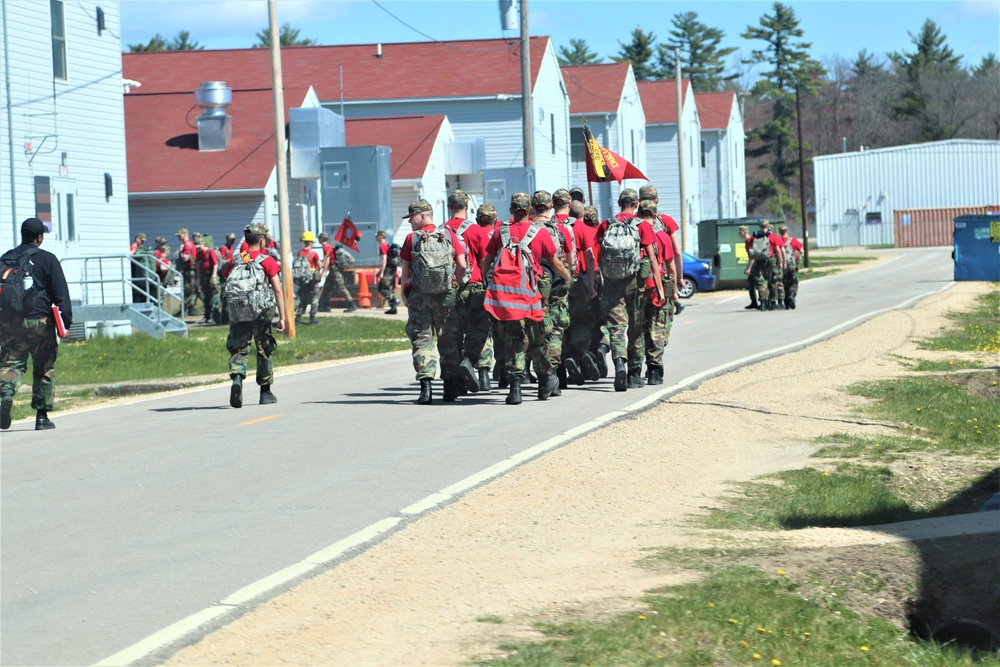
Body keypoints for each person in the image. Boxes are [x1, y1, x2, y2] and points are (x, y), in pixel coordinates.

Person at [481, 192, 570, 404]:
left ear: (511, 210)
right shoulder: (539, 233)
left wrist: (488, 281)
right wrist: (567, 277)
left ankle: (515, 389)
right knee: (538, 340)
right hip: (531, 298)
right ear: (530, 210)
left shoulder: (500, 233)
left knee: (513, 342)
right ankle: (544, 383)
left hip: (506, 300)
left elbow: (488, 260)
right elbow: (554, 262)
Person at [0, 218, 74, 430]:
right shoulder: (47, 259)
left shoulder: (6, 259)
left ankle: (6, 394)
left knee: (10, 364)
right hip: (40, 320)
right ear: (39, 237)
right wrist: (66, 322)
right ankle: (41, 417)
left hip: (10, 322)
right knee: (44, 367)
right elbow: (60, 293)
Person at [594, 188, 664, 391]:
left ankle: (619, 362)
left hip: (611, 281)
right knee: (635, 326)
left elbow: (598, 253)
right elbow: (652, 258)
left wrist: (600, 279)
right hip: (635, 283)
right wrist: (659, 287)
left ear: (618, 203)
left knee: (616, 327)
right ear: (636, 205)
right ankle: (634, 374)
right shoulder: (641, 225)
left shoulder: (606, 224)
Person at [399, 199, 467, 404]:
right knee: (448, 339)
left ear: (422, 216)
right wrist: (454, 282)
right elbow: (462, 264)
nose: (410, 222)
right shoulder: (448, 235)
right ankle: (449, 388)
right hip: (445, 295)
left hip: (420, 296)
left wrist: (404, 293)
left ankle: (426, 389)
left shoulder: (411, 239)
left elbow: (405, 271)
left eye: (412, 217)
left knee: (422, 339)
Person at [222, 223, 286, 408]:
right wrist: (282, 318)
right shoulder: (267, 261)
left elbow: (226, 280)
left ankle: (237, 379)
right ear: (262, 240)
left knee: (239, 348)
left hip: (238, 313)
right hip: (261, 313)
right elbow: (278, 290)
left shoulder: (236, 260)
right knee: (263, 348)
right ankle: (265, 392)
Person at [442, 190, 491, 394]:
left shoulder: (439, 231)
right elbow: (485, 261)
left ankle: (453, 384)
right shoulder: (477, 231)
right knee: (479, 330)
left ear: (449, 206)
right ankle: (475, 365)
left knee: (452, 335)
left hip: (449, 289)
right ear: (467, 205)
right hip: (474, 287)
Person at [551, 189, 597, 386]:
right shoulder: (578, 226)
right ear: (569, 205)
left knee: (556, 326)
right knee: (582, 322)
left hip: (551, 283)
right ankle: (574, 353)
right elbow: (589, 255)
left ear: (553, 205)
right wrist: (592, 285)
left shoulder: (545, 225)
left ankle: (558, 372)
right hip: (576, 280)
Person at [637, 200, 679, 385]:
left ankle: (633, 370)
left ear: (639, 214)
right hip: (656, 286)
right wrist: (673, 290)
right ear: (655, 215)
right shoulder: (663, 236)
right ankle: (654, 370)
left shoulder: (633, 234)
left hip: (636, 286)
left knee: (637, 328)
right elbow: (670, 266)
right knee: (657, 328)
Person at [638, 184, 685, 316]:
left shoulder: (633, 222)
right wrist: (679, 278)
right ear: (656, 200)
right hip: (661, 271)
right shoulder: (665, 220)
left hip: (638, 276)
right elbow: (676, 251)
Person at [293, 231, 322, 325]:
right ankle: (312, 318)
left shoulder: (299, 253)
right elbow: (319, 266)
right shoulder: (314, 253)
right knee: (314, 298)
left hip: (303, 280)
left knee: (303, 299)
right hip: (312, 280)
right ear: (311, 242)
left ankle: (297, 318)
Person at [195, 234, 220, 324]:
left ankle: (215, 317)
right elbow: (198, 265)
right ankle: (207, 316)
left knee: (213, 296)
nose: (197, 248)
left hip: (210, 274)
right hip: (203, 276)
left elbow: (215, 264)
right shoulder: (199, 254)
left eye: (199, 246)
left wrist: (213, 275)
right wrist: (198, 278)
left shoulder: (210, 251)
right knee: (206, 297)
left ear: (203, 243)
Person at [375, 230, 401, 315]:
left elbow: (384, 260)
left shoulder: (383, 247)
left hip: (388, 269)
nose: (376, 237)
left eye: (377, 236)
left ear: (381, 237)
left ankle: (394, 300)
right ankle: (393, 309)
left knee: (381, 288)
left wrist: (382, 272)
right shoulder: (387, 246)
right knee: (390, 288)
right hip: (392, 268)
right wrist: (380, 271)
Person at [778, 224, 803, 309]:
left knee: (784, 283)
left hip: (781, 266)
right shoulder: (793, 241)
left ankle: (786, 303)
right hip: (792, 265)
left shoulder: (777, 241)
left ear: (779, 232)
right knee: (794, 282)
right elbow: (802, 251)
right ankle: (792, 295)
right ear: (787, 231)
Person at [175, 227, 198, 316]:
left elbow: (186, 258)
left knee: (188, 290)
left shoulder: (186, 245)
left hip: (189, 270)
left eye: (179, 235)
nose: (178, 238)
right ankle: (190, 308)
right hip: (192, 270)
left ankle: (184, 309)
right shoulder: (191, 244)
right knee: (190, 290)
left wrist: (181, 251)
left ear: (184, 234)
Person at [217, 233, 237, 324]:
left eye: (233, 240)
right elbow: (221, 262)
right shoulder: (223, 248)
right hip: (223, 273)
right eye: (231, 240)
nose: (232, 241)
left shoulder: (231, 249)